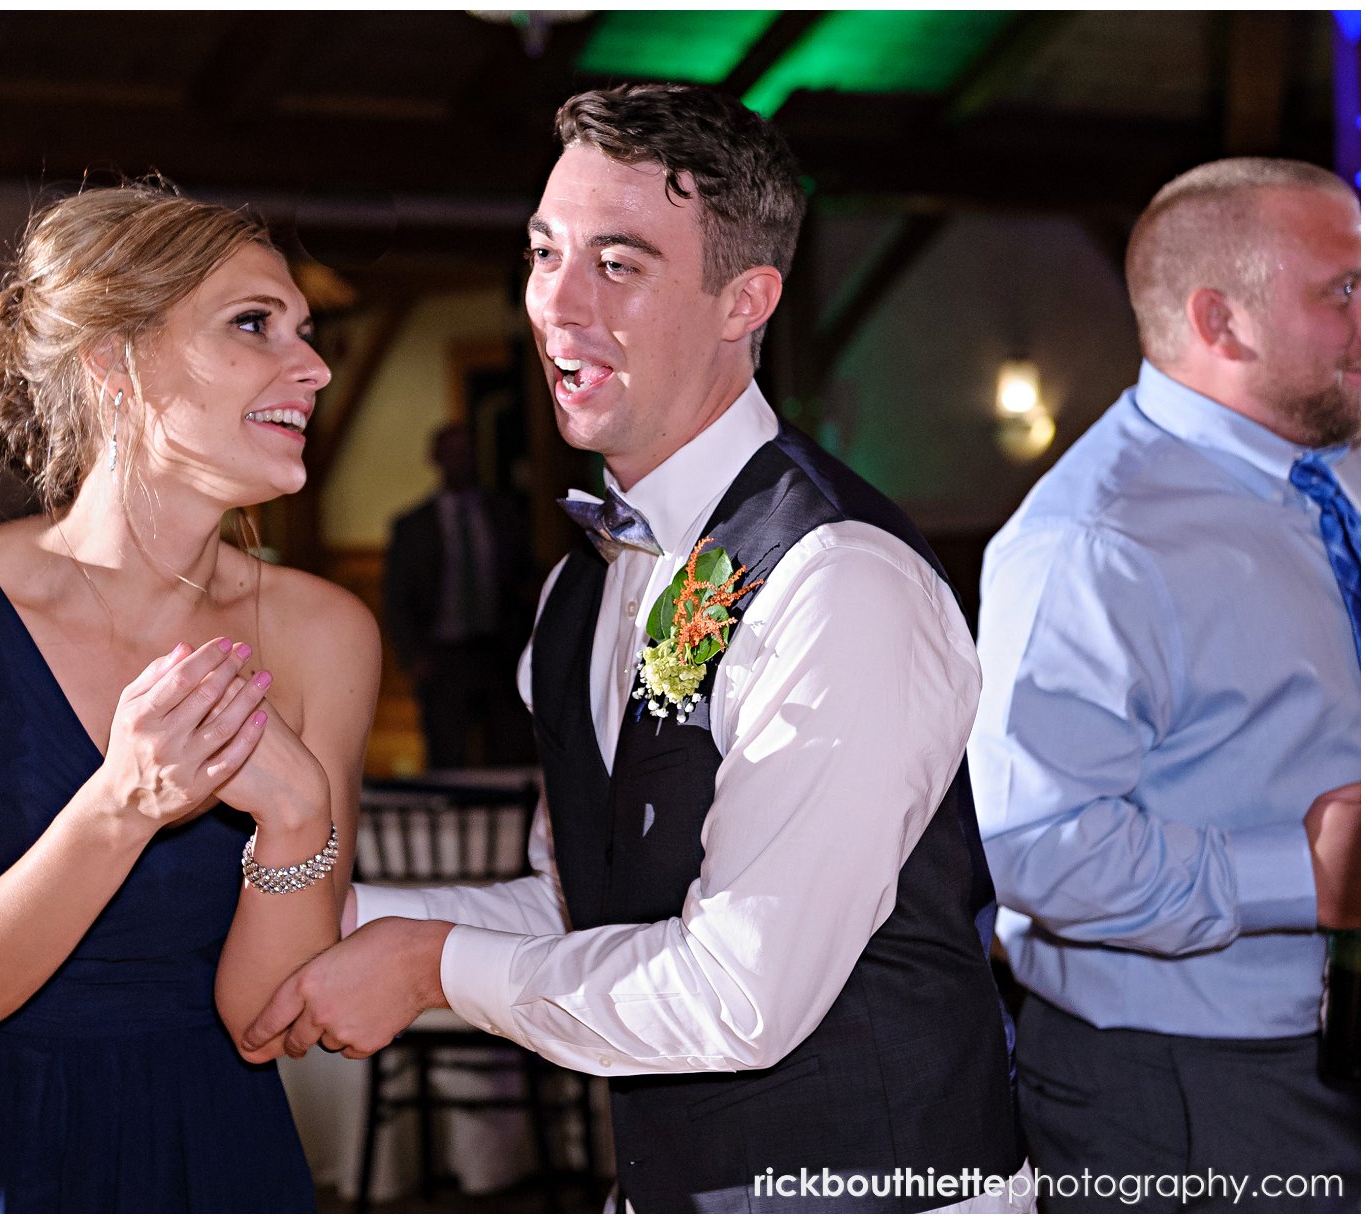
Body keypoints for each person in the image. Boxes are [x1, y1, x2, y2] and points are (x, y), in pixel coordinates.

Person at [242, 84, 1027, 1212]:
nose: (557, 305)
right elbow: (588, 911)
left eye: (618, 264)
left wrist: (428, 969)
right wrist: (334, 917)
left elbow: (739, 989)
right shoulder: (579, 587)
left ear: (742, 301)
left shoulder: (840, 580)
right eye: (543, 251)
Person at [0, 182, 380, 1212]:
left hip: (212, 1148)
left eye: (306, 331)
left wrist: (298, 822)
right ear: (114, 362)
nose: (315, 367)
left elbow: (266, 1019)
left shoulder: (324, 633)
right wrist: (124, 803)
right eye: (253, 325)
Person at [969, 158, 1360, 1211]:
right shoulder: (1092, 541)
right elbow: (1029, 846)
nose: (1368, 312)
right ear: (1221, 322)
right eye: (1344, 289)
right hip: (1191, 1077)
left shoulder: (1338, 473)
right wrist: (1307, 881)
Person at [382, 422, 531, 768]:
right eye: (452, 452)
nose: (460, 460)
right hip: (442, 656)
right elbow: (398, 596)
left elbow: (523, 578)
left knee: (507, 750)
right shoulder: (414, 526)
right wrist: (413, 657)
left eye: (466, 452)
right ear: (436, 458)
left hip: (499, 654)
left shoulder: (504, 514)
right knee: (447, 752)